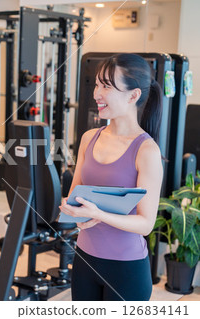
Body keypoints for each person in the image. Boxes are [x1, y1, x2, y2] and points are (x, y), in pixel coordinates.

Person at [59, 53, 163, 301]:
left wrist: (98, 214)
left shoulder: (146, 150)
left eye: (106, 86)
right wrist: (72, 210)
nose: (97, 93)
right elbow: (74, 199)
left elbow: (146, 224)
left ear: (133, 95)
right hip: (85, 260)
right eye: (97, 84)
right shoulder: (89, 138)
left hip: (126, 269)